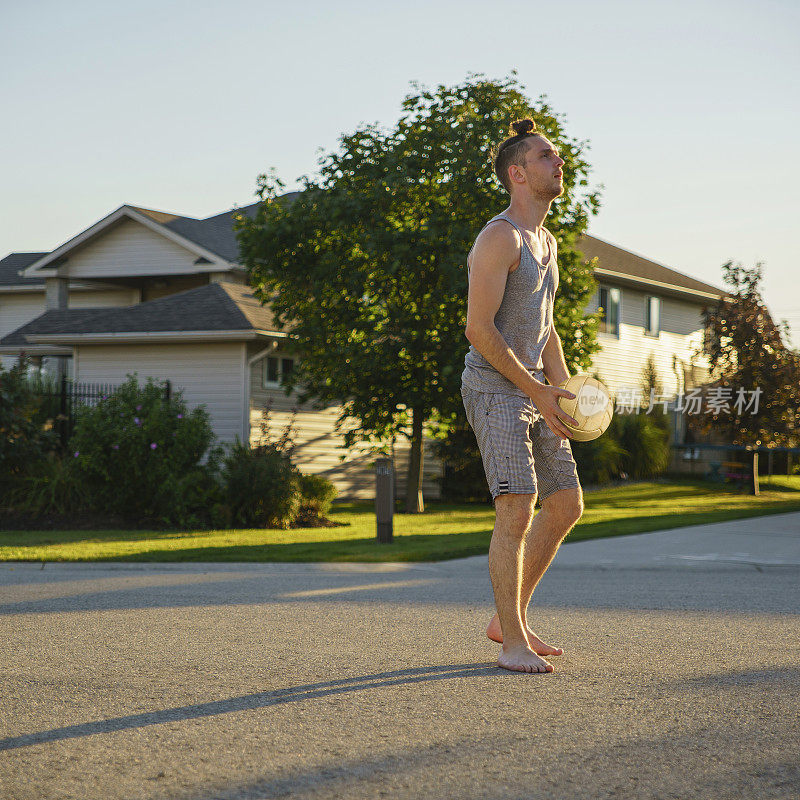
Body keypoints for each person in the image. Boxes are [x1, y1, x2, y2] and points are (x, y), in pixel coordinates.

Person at [461, 118, 585, 674]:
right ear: (517, 173)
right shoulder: (500, 237)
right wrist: (535, 389)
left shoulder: (547, 242)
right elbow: (479, 329)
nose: (558, 162)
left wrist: (562, 394)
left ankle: (506, 619)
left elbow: (546, 327)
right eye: (545, 156)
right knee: (516, 507)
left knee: (566, 504)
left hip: (534, 390)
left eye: (557, 155)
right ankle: (512, 642)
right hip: (494, 388)